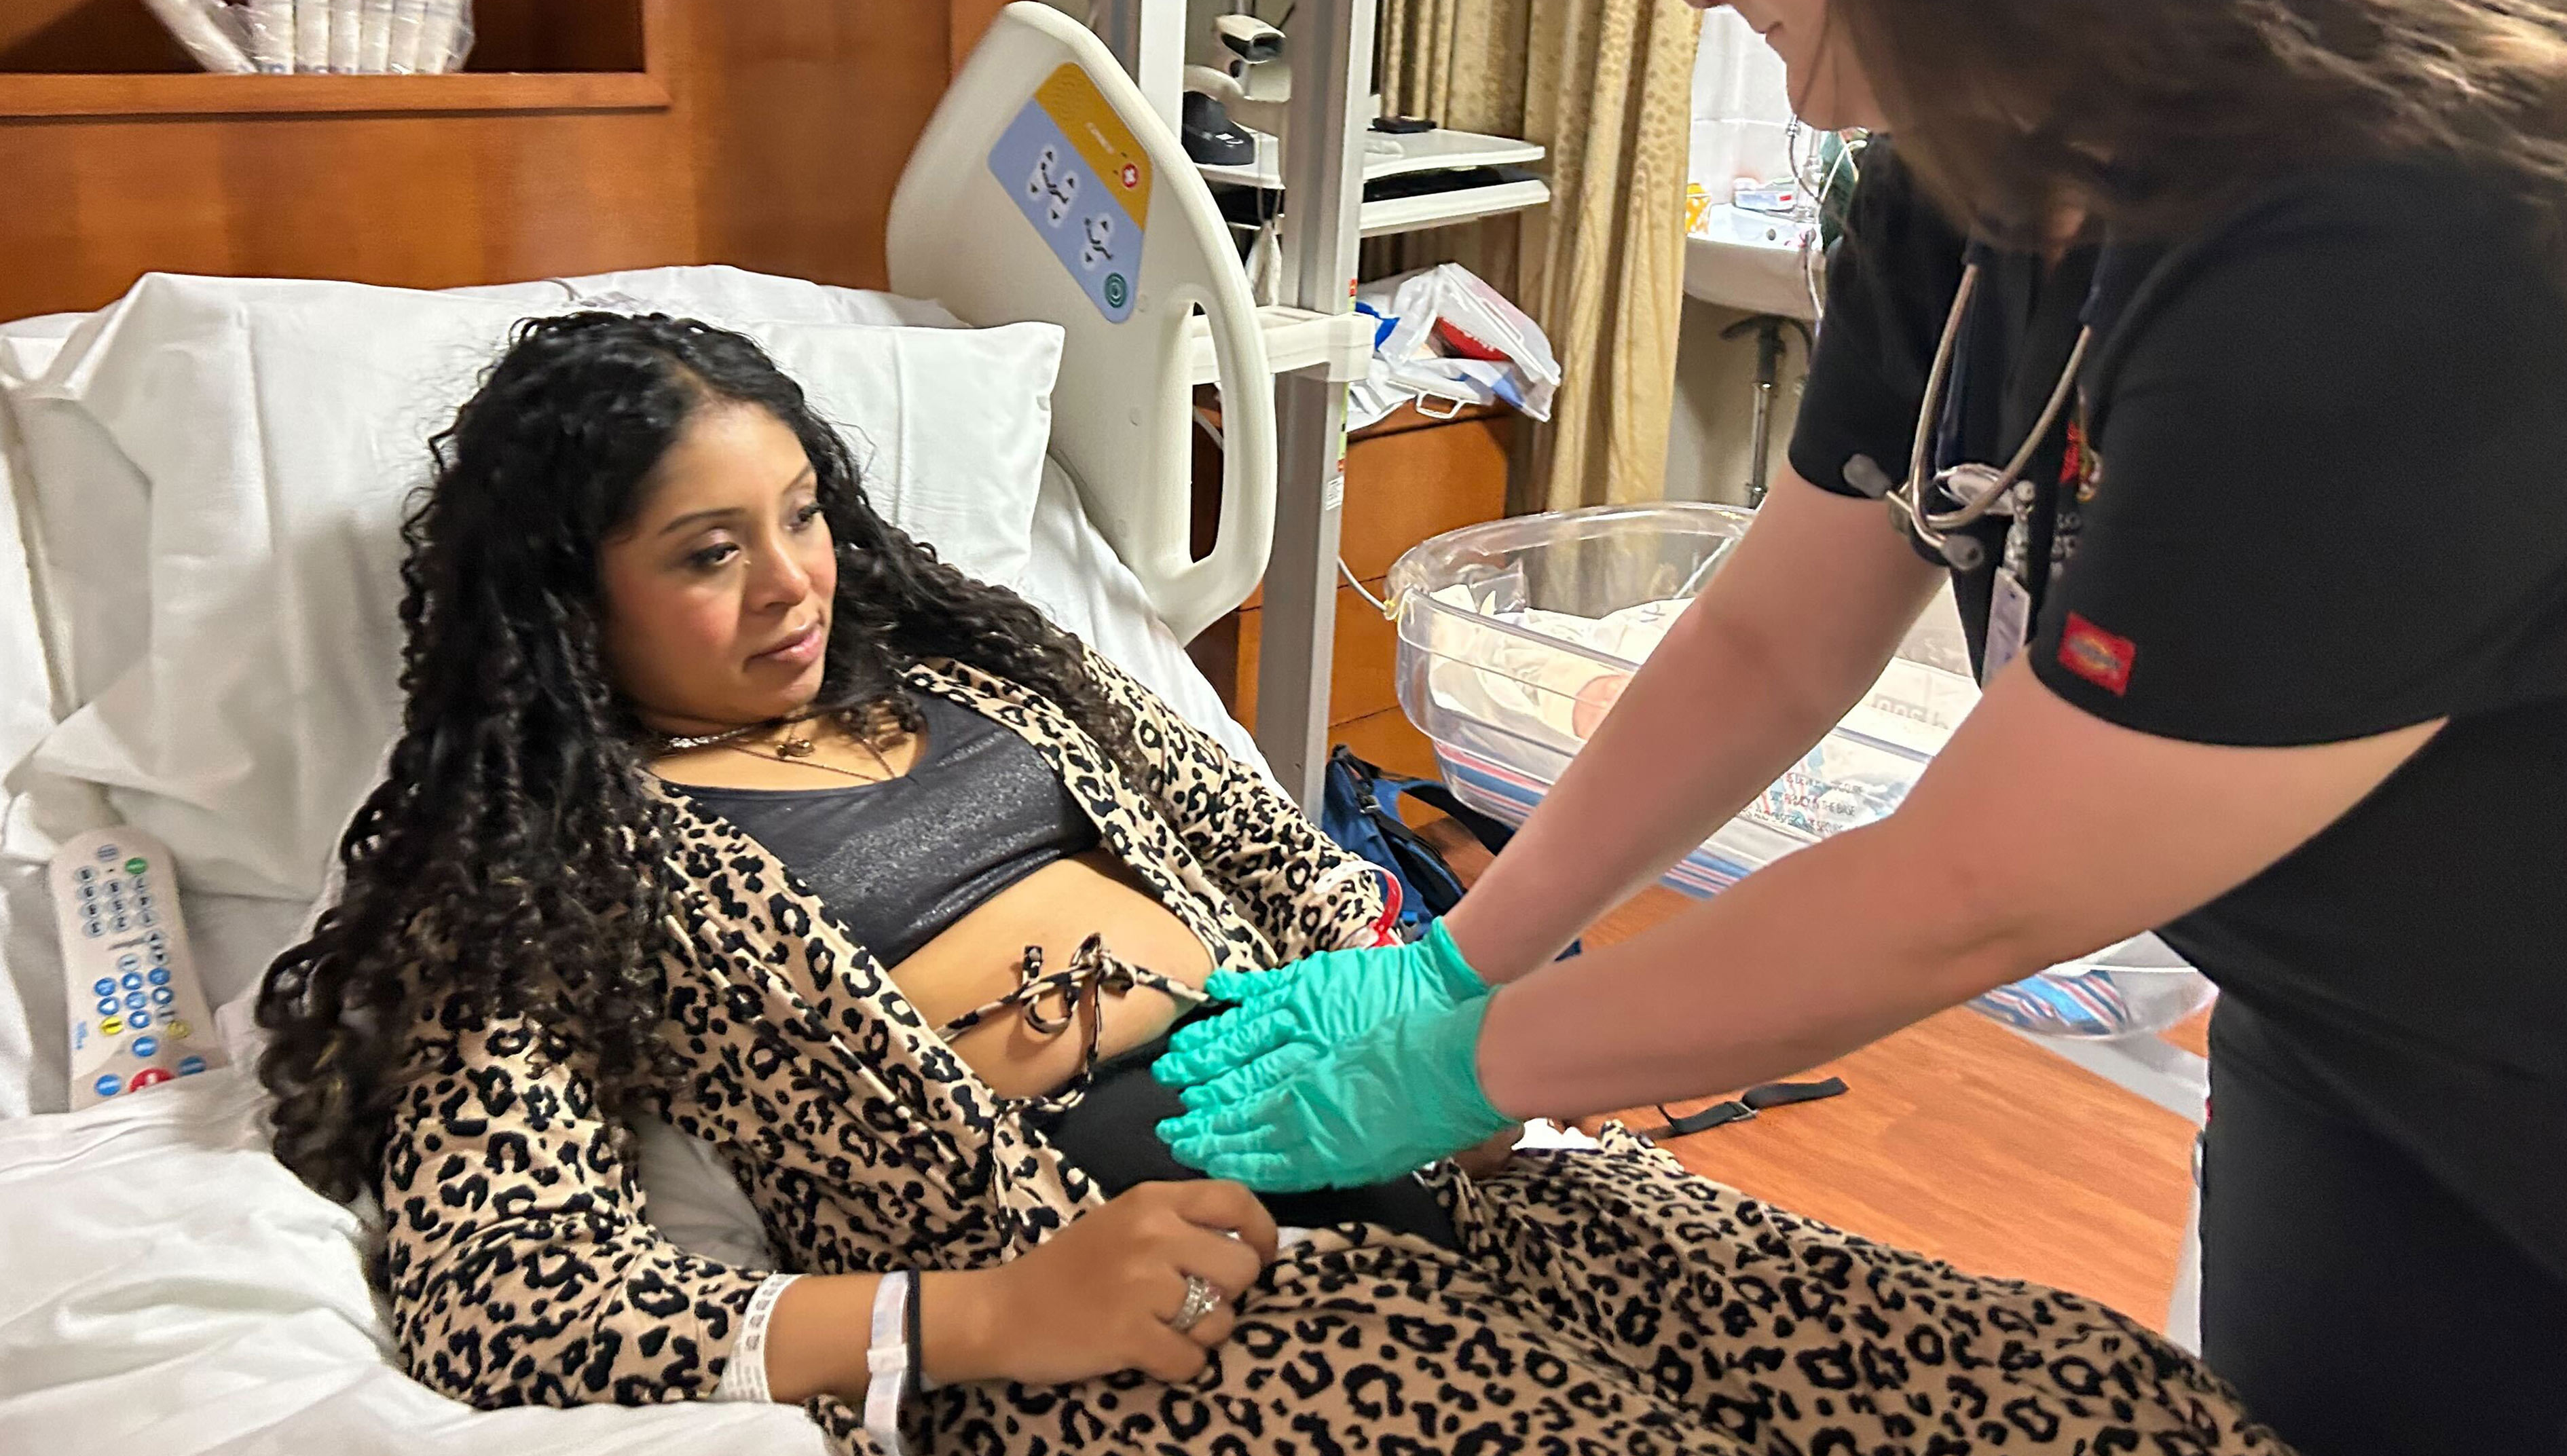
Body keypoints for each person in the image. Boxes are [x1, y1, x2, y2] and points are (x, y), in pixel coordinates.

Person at [1153, 0, 2567, 1455]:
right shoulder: (1968, 173)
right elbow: (1776, 634)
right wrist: (1462, 958)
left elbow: (1975, 886)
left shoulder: (2420, 210)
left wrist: (1473, 1066)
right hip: (2351, 1030)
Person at [250, 314, 2287, 1455]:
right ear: (564, 605)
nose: (791, 586)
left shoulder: (986, 682)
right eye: (706, 556)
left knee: (2038, 1387)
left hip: (1441, 1151)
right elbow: (510, 1297)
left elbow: (1286, 883)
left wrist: (1454, 1047)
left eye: (799, 514)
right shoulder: (543, 872)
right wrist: (983, 1316)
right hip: (1152, 1300)